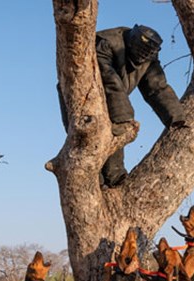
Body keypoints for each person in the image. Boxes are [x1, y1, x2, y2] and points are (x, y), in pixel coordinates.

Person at [59, 24, 186, 187]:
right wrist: (124, 118)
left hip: (113, 100)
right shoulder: (107, 42)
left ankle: (115, 179)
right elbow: (109, 81)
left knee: (115, 137)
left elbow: (157, 88)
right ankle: (97, 182)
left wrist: (176, 118)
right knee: (87, 145)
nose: (141, 58)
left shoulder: (149, 57)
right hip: (81, 97)